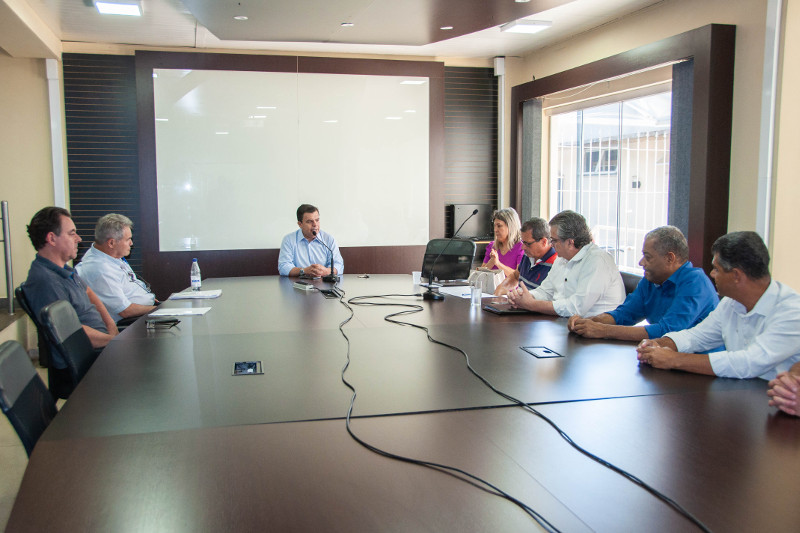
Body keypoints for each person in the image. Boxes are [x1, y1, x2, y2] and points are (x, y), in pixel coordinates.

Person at [637, 231, 800, 380]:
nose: (712, 274)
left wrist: (673, 359)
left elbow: (749, 363)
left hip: (777, 400)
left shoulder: (792, 312)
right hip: (740, 392)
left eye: (716, 269)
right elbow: (697, 336)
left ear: (736, 275)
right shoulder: (731, 302)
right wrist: (659, 345)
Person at [568, 226, 718, 342]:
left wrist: (602, 330)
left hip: (700, 367)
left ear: (669, 258)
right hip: (662, 358)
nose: (641, 262)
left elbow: (666, 332)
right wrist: (587, 323)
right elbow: (625, 314)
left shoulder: (695, 282)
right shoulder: (650, 280)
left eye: (648, 257)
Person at [23, 206, 118, 352]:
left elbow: (89, 293)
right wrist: (115, 341)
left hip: (105, 343)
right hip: (91, 355)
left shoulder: (64, 270)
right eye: (71, 233)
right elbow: (72, 332)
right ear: (52, 239)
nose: (78, 239)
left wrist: (112, 329)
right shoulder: (45, 281)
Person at [507, 210, 625, 317]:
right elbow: (546, 291)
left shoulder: (597, 260)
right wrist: (522, 296)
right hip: (566, 325)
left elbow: (576, 308)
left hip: (598, 333)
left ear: (570, 242)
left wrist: (532, 305)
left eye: (554, 240)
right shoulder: (561, 259)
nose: (551, 244)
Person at [75, 213, 158, 323]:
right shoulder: (100, 270)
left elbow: (129, 283)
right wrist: (159, 309)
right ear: (111, 243)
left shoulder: (110, 255)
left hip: (144, 309)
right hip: (130, 322)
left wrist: (148, 298)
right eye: (128, 239)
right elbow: (125, 311)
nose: (131, 243)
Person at [494, 217, 557, 295]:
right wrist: (502, 288)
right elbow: (515, 275)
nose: (523, 247)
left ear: (544, 242)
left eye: (528, 243)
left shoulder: (556, 264)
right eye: (523, 242)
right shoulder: (528, 255)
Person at [278, 204, 344, 277]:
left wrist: (326, 271)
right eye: (309, 221)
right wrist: (304, 271)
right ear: (300, 224)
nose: (315, 225)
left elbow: (339, 265)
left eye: (317, 220)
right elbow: (283, 267)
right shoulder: (289, 240)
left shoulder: (328, 239)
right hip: (297, 285)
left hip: (324, 284)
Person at [481, 207, 525, 278]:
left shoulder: (521, 247)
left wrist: (498, 264)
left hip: (510, 289)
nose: (495, 230)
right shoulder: (492, 246)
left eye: (499, 226)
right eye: (494, 226)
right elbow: (480, 275)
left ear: (511, 226)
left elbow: (519, 277)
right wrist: (492, 261)